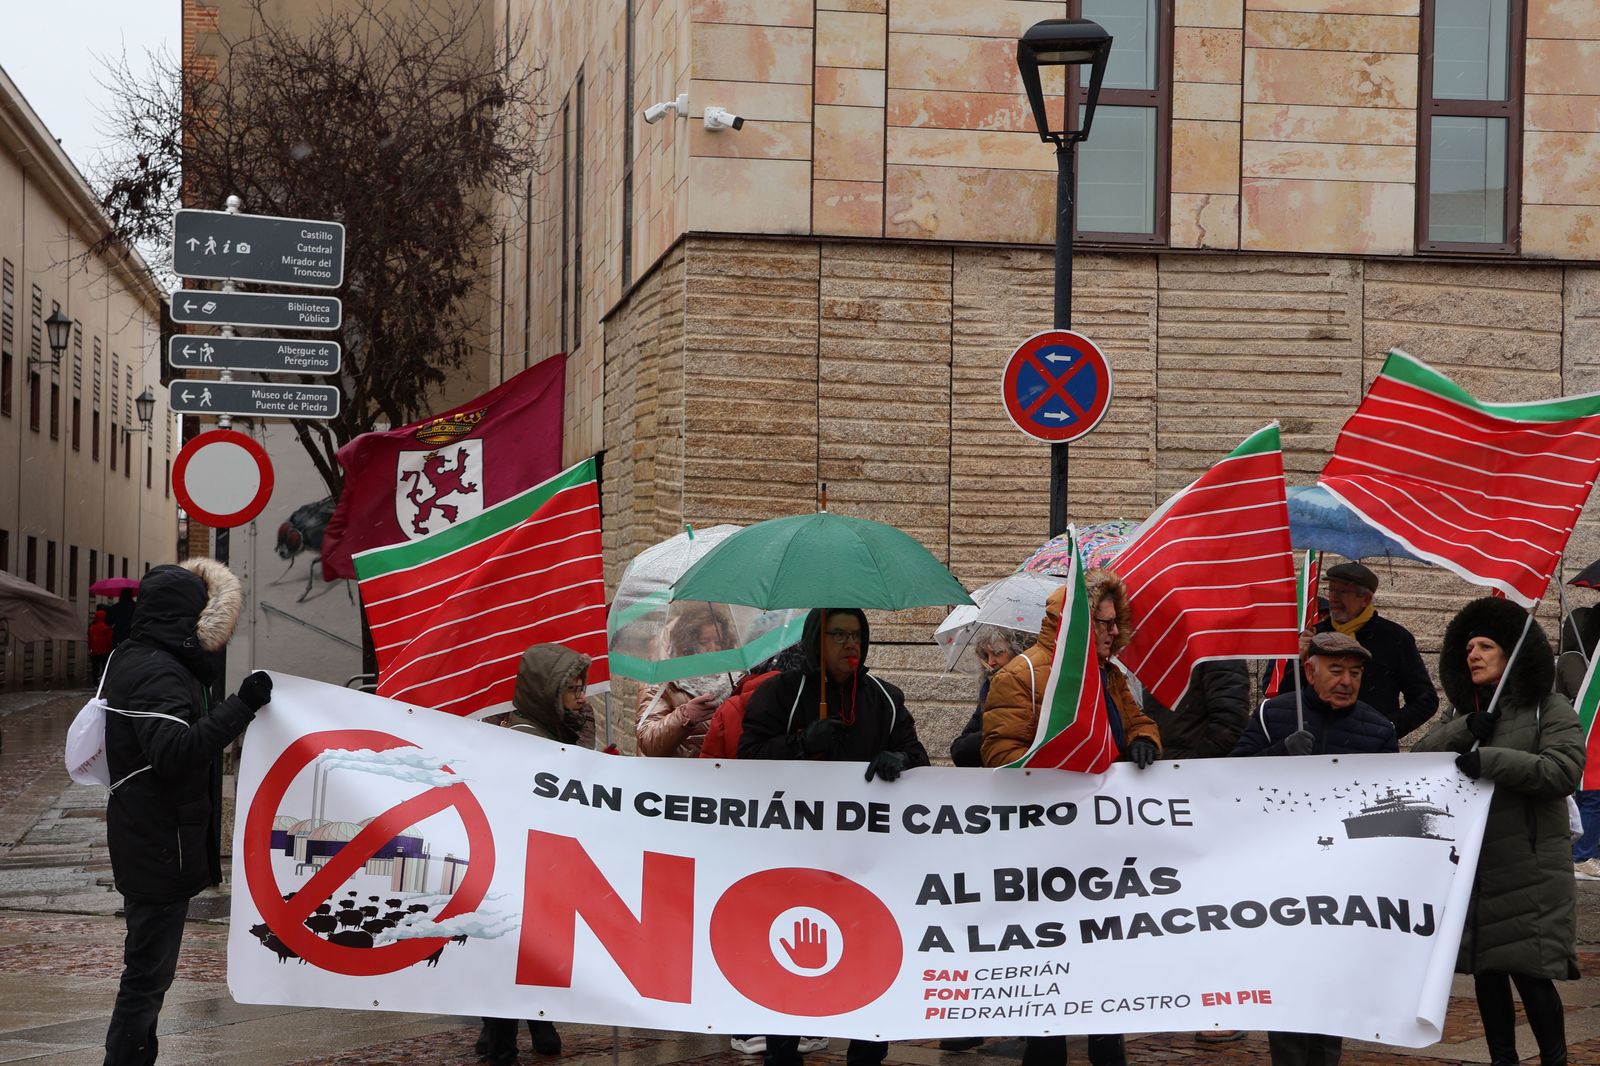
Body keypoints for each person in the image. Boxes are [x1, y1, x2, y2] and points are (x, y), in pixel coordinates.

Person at [982, 572, 1159, 1066]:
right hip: (1047, 852)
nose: (1111, 633)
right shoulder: (1024, 675)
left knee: (1104, 971)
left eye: (1113, 624)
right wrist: (1061, 764)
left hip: (1103, 849)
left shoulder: (1110, 675)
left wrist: (1146, 739)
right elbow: (999, 752)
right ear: (1073, 625)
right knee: (1051, 976)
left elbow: (1136, 721)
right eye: (1100, 625)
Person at [739, 607, 929, 1066]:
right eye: (838, 635)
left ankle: (867, 1052)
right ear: (813, 641)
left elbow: (918, 756)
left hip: (862, 859)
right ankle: (782, 1052)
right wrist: (801, 743)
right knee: (791, 959)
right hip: (793, 856)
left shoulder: (884, 698)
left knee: (867, 956)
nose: (850, 645)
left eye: (857, 635)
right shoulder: (778, 696)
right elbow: (746, 761)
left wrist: (899, 761)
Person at [101, 559, 272, 1066]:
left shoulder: (144, 657)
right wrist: (240, 707)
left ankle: (134, 1056)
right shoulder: (156, 669)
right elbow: (175, 753)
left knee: (150, 971)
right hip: (155, 842)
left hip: (150, 836)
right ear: (187, 619)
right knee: (147, 974)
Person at [1413, 598, 1583, 1066]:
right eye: (1468, 647)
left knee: (1530, 974)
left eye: (1486, 646)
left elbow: (1562, 771)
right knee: (1487, 974)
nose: (1474, 654)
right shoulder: (1458, 715)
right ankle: (1501, 1060)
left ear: (1513, 655)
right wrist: (1465, 729)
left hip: (1528, 867)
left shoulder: (1549, 708)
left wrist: (1490, 760)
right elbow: (1420, 761)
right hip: (1474, 868)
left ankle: (1555, 1060)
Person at [1233, 631, 1395, 1064]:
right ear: (1310, 670)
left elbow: (1391, 807)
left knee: (1332, 985)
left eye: (1355, 673)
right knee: (1285, 982)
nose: (1346, 681)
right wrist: (1279, 751)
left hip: (1343, 880)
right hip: (1280, 876)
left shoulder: (1379, 730)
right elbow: (1231, 780)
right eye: (1337, 670)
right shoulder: (1273, 715)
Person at [475, 644, 582, 1063]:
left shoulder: (552, 732)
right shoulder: (522, 742)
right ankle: (500, 1044)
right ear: (548, 691)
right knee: (512, 957)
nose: (580, 697)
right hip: (516, 870)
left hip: (538, 867)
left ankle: (535, 1024)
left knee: (532, 953)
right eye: (573, 689)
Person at [1288, 562, 1437, 738]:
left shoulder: (1395, 637)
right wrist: (1298, 662)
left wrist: (1387, 727)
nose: (1333, 598)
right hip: (1319, 744)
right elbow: (1289, 697)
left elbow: (1425, 699)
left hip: (1373, 751)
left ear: (1365, 599)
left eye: (1343, 592)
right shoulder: (1314, 635)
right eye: (1331, 590)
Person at [636, 604, 735, 757]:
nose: (713, 648)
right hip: (676, 776)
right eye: (704, 642)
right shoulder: (661, 679)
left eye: (718, 642)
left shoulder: (733, 677)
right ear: (687, 644)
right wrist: (685, 716)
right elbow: (647, 741)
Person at [948, 625, 1033, 769]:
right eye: (986, 656)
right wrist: (993, 732)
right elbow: (960, 752)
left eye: (997, 653)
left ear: (1019, 652)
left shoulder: (1038, 691)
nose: (990, 662)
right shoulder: (989, 692)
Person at [1141, 660, 1249, 760]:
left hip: (1192, 768)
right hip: (1161, 767)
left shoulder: (1218, 650)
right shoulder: (1160, 651)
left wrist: (1195, 762)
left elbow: (1230, 722)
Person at [88, 608, 115, 683]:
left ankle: (95, 682)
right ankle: (103, 681)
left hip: (95, 651)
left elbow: (90, 640)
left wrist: (91, 648)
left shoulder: (92, 627)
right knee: (104, 667)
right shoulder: (106, 628)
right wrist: (110, 649)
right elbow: (109, 640)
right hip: (104, 650)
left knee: (95, 667)